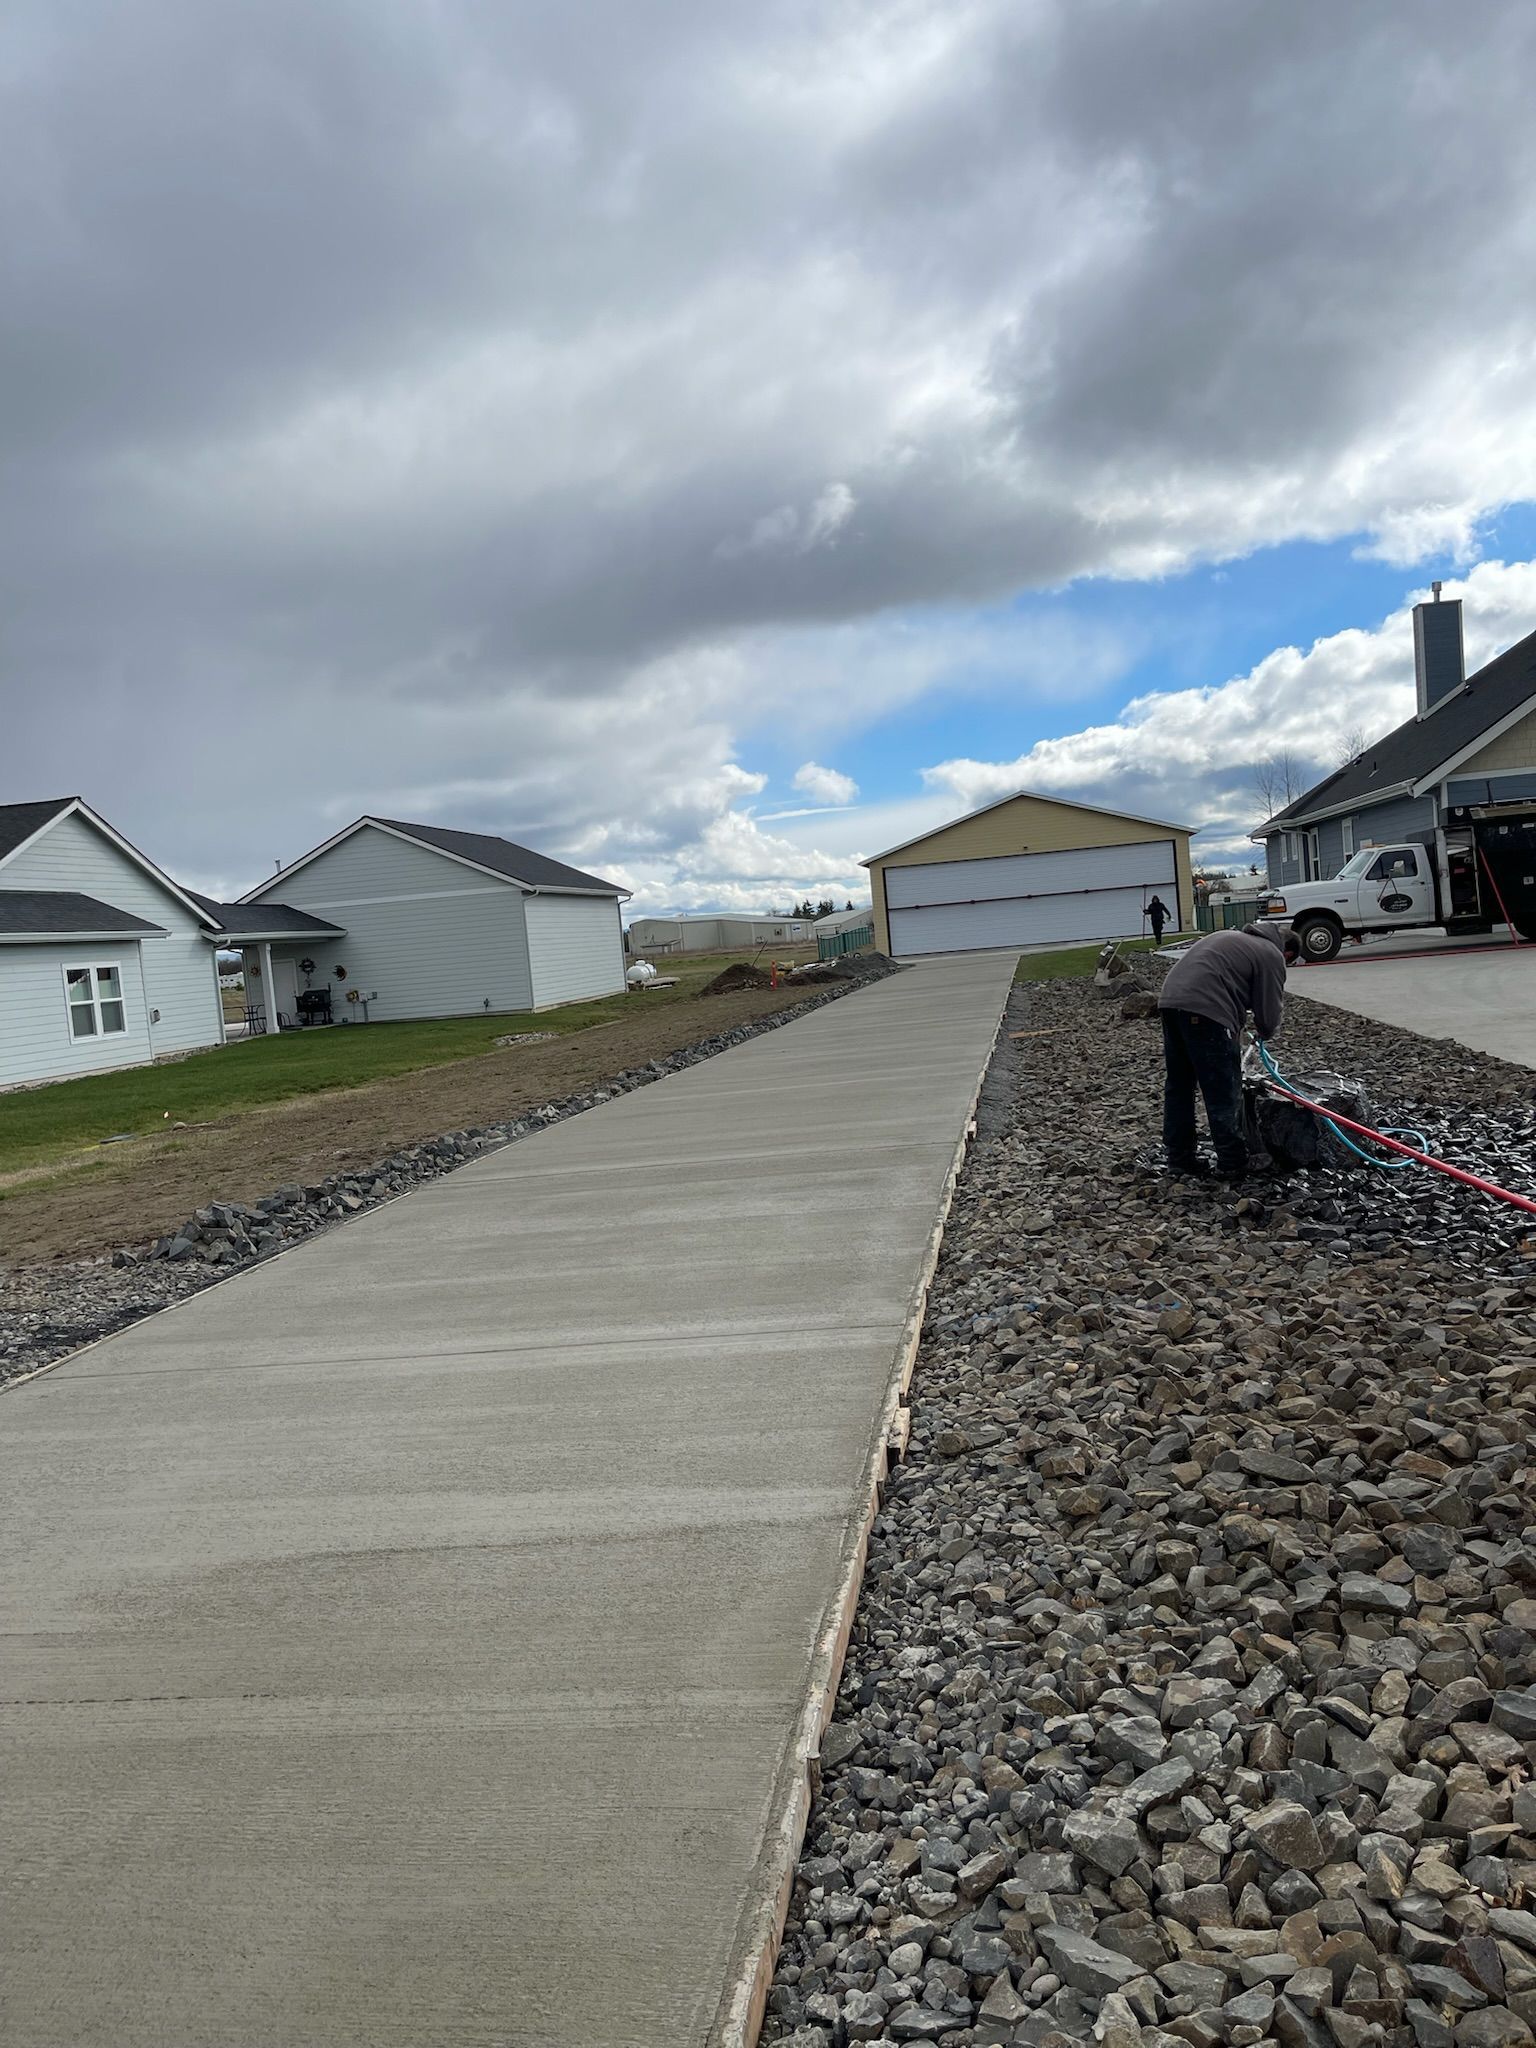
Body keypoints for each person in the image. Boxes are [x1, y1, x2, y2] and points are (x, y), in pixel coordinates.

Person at [1157, 923, 1296, 1179]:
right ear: (1287, 952)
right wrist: (1266, 1032)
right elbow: (1269, 1009)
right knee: (1223, 1087)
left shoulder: (1233, 938)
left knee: (1180, 1084)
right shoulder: (1271, 953)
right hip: (1206, 1010)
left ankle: (1179, 1158)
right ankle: (1232, 1161)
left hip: (1170, 1002)